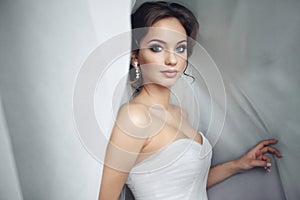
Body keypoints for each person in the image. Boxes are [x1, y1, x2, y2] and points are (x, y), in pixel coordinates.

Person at [98, 1, 282, 200]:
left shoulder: (180, 113)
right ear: (136, 55)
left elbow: (185, 185)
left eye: (180, 48)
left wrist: (238, 165)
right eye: (157, 48)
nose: (172, 60)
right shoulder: (135, 117)